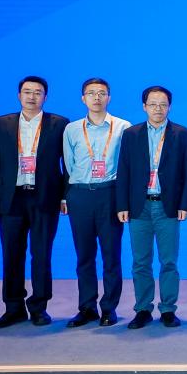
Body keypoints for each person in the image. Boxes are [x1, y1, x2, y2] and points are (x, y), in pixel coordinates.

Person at [0, 75, 70, 329]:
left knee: (41, 255)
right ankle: (13, 308)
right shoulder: (1, 123)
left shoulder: (59, 124)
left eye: (37, 92)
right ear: (19, 95)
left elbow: (68, 163)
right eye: (27, 91)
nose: (32, 96)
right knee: (11, 255)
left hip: (45, 198)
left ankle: (39, 307)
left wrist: (65, 195)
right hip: (11, 199)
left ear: (45, 96)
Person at [115, 85, 187, 330]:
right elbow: (124, 170)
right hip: (139, 207)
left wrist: (185, 204)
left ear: (169, 107)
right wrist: (122, 204)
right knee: (140, 261)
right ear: (144, 106)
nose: (158, 109)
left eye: (163, 104)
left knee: (169, 261)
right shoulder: (131, 134)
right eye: (152, 104)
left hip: (167, 206)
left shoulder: (182, 134)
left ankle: (168, 309)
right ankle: (143, 309)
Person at [62, 78, 131, 328]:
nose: (97, 98)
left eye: (102, 93)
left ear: (109, 98)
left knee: (111, 255)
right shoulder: (71, 129)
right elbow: (68, 164)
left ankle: (109, 308)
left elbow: (127, 166)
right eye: (91, 93)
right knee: (84, 255)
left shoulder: (123, 127)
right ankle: (87, 307)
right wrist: (68, 194)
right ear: (83, 98)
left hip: (109, 194)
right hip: (80, 194)